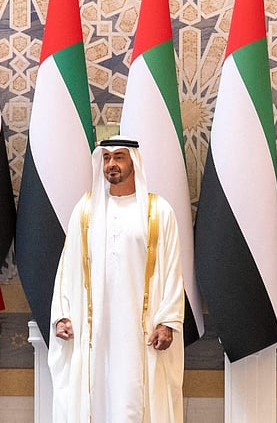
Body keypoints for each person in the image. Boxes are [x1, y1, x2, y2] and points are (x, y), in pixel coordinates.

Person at [49, 137, 185, 422]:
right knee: (96, 394)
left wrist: (168, 321)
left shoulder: (158, 211)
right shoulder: (85, 210)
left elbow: (173, 268)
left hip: (141, 330)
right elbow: (67, 266)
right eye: (107, 158)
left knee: (134, 396)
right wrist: (62, 314)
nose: (112, 164)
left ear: (133, 161)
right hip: (93, 330)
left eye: (119, 157)